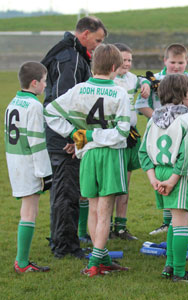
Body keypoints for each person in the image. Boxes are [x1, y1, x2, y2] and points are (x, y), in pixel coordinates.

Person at [45, 44, 131, 277]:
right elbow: (123, 131)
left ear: (93, 66)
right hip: (109, 154)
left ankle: (100, 259)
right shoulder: (120, 92)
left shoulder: (79, 89)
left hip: (87, 155)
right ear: (114, 67)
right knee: (104, 211)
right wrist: (92, 135)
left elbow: (50, 111)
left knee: (93, 209)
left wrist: (75, 134)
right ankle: (94, 263)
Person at [41, 16, 107, 258]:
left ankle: (63, 239)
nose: (98, 46)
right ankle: (64, 246)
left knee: (67, 188)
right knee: (65, 190)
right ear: (85, 34)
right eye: (97, 40)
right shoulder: (68, 57)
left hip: (69, 133)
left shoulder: (76, 54)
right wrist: (72, 138)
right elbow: (61, 103)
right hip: (63, 135)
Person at [139, 74, 188, 283]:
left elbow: (143, 152)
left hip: (159, 173)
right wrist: (173, 180)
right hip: (177, 174)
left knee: (174, 222)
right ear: (182, 95)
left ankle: (170, 266)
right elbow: (187, 154)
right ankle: (180, 272)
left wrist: (153, 178)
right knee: (181, 221)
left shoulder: (153, 118)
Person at [135, 43, 188, 236]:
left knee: (180, 170)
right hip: (160, 132)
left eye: (180, 62)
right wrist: (160, 120)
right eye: (173, 62)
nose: (176, 66)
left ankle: (186, 219)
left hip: (182, 130)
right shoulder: (153, 80)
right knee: (165, 172)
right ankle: (168, 222)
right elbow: (141, 104)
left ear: (186, 62)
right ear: (165, 61)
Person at [6, 62, 52, 273]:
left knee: (27, 210)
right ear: (34, 83)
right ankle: (22, 262)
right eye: (44, 81)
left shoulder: (13, 102)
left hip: (14, 162)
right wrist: (45, 173)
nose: (45, 85)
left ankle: (22, 261)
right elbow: (37, 142)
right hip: (28, 164)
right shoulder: (34, 106)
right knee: (29, 212)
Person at [108, 42, 152, 240]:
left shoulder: (131, 78)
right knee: (111, 185)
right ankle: (106, 226)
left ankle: (121, 227)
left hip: (130, 136)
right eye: (123, 60)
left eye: (129, 60)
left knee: (125, 183)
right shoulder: (108, 80)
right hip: (112, 135)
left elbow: (144, 78)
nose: (127, 64)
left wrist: (146, 84)